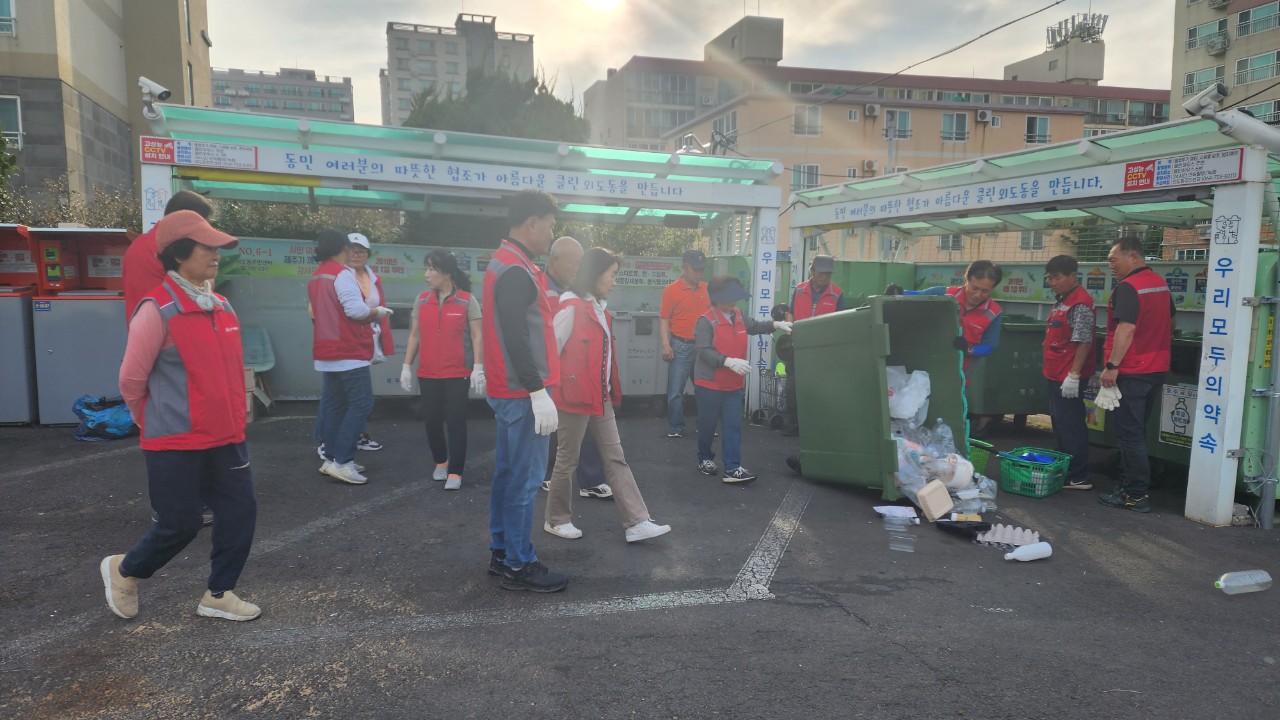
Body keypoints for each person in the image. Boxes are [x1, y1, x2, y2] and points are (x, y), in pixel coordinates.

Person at [102, 210, 260, 622]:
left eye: (216, 247)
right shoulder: (156, 310)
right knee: (180, 524)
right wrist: (151, 421)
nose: (215, 254)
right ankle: (125, 570)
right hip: (174, 439)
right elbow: (131, 381)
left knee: (240, 512)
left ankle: (220, 593)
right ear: (178, 254)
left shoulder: (222, 305)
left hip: (226, 435)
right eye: (207, 247)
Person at [544, 247, 672, 542]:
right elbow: (549, 352)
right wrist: (545, 396)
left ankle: (637, 521)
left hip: (599, 397)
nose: (615, 281)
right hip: (574, 398)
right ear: (594, 275)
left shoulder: (600, 309)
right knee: (567, 460)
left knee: (616, 458)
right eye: (612, 275)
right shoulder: (571, 308)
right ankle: (556, 519)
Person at [483, 189, 569, 592]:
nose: (551, 234)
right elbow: (516, 336)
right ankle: (519, 563)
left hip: (511, 390)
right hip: (522, 394)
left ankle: (503, 551)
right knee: (525, 479)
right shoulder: (515, 270)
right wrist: (538, 391)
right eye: (550, 226)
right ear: (532, 223)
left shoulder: (507, 263)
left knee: (508, 474)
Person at [122, 189, 216, 528]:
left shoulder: (138, 245)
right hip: (178, 345)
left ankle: (171, 504)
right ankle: (182, 506)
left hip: (145, 339)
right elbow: (194, 293)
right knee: (180, 423)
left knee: (163, 423)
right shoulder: (173, 250)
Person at [309, 229, 393, 485]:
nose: (352, 251)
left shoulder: (317, 274)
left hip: (326, 349)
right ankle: (342, 461)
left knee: (335, 405)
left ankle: (332, 457)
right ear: (342, 248)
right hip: (348, 350)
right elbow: (356, 311)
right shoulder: (341, 274)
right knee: (361, 404)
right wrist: (379, 311)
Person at [1097, 236, 1173, 513]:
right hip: (1156, 368)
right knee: (1137, 432)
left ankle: (1135, 495)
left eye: (1113, 259)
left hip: (1132, 370)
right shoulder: (1160, 285)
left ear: (1133, 257)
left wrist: (1112, 366)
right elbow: (1170, 320)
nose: (1110, 265)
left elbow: (1126, 329)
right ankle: (1133, 487)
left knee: (1130, 434)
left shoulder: (1129, 287)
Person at [693, 275, 792, 483]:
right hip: (709, 384)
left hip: (733, 385)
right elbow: (703, 351)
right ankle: (704, 458)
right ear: (716, 297)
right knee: (707, 425)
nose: (733, 301)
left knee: (732, 426)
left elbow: (755, 327)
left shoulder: (738, 314)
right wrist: (728, 361)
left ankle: (732, 467)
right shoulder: (706, 320)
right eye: (728, 296)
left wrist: (776, 324)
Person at [400, 249, 484, 491]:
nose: (426, 275)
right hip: (428, 372)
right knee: (432, 420)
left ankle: (456, 472)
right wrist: (406, 366)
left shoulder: (467, 300)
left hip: (458, 372)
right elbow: (415, 336)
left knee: (456, 420)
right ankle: (441, 461)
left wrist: (478, 367)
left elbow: (478, 336)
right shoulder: (422, 300)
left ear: (446, 273)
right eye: (426, 269)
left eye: (431, 269)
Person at [541, 236, 611, 499]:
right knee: (555, 434)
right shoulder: (539, 285)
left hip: (585, 380)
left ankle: (590, 480)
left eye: (580, 263)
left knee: (588, 434)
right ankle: (547, 478)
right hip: (555, 377)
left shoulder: (585, 294)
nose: (576, 268)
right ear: (554, 260)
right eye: (572, 263)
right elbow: (547, 343)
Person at [909, 260, 1004, 435]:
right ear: (966, 279)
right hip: (928, 366)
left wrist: (968, 349)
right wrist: (898, 292)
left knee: (947, 419)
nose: (977, 294)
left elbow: (989, 347)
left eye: (985, 291)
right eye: (974, 287)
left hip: (959, 375)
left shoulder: (994, 312)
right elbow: (915, 295)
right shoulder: (944, 294)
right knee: (915, 411)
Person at [1042, 255, 1097, 491]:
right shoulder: (1063, 299)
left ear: (1073, 276)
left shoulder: (1080, 303)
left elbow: (1084, 340)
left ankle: (1078, 474)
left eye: (1057, 277)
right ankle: (1065, 466)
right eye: (1049, 278)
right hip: (1056, 372)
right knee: (1060, 422)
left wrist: (1074, 375)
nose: (1052, 282)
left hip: (1068, 376)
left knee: (1071, 423)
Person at [123, 190, 215, 321]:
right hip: (171, 330)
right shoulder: (172, 247)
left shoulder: (138, 244)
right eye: (203, 225)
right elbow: (198, 292)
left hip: (140, 329)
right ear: (186, 220)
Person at [782, 254, 845, 436]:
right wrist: (789, 330)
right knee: (793, 386)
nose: (824, 277)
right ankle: (793, 424)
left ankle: (817, 426)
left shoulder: (837, 294)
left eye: (828, 274)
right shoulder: (799, 290)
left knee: (819, 388)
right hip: (798, 345)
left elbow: (839, 322)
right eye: (821, 273)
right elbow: (791, 312)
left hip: (822, 349)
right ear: (812, 270)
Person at [341, 233, 392, 453]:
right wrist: (374, 312)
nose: (356, 254)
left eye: (361, 251)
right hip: (344, 343)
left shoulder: (372, 277)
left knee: (356, 396)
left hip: (365, 340)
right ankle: (332, 444)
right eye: (352, 250)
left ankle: (358, 436)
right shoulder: (341, 276)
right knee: (344, 396)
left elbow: (374, 308)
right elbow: (353, 311)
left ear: (368, 254)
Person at [660, 249, 711, 438]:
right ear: (684, 268)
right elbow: (664, 318)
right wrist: (666, 344)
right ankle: (676, 427)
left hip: (704, 347)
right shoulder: (671, 290)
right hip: (679, 345)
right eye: (695, 269)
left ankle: (704, 426)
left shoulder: (708, 289)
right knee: (675, 391)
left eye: (701, 269)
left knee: (705, 389)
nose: (698, 273)